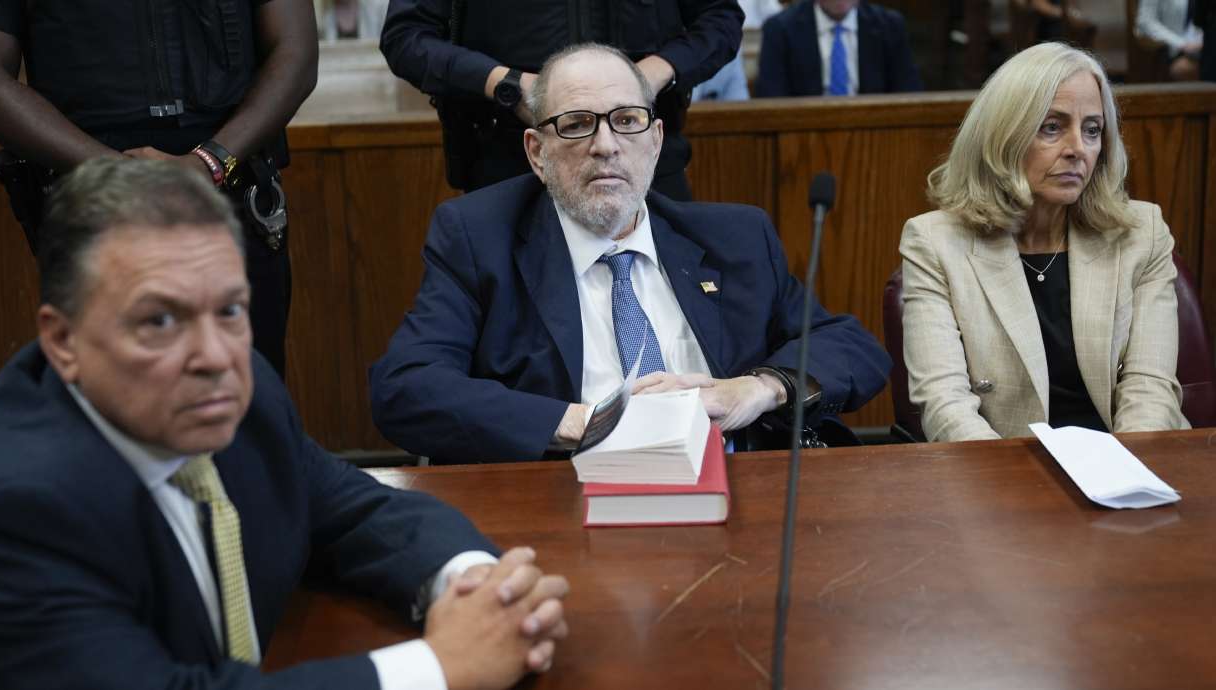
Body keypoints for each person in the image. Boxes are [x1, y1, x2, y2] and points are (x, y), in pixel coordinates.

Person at [0, 158, 570, 690]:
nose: (215, 356)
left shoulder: (245, 394)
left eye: (230, 311)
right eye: (161, 320)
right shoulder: (16, 509)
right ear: (63, 342)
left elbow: (355, 510)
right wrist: (442, 666)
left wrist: (479, 584)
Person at [369, 43, 891, 463]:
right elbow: (406, 388)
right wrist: (585, 423)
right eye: (576, 124)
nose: (606, 145)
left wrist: (754, 390)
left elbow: (851, 347)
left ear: (656, 140)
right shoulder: (479, 238)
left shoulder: (736, 236)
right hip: (565, 504)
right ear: (537, 152)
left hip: (735, 491)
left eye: (626, 120)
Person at [0, 0, 311, 378]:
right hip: (92, 198)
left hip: (231, 186)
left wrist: (210, 163)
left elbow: (297, 52)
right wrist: (113, 172)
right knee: (112, 401)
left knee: (243, 398)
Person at [899, 42, 1190, 443]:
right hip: (999, 474)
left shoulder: (1141, 233)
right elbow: (946, 406)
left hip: (1128, 468)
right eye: (1052, 127)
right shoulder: (934, 243)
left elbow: (1150, 390)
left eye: (1092, 130)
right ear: (1003, 137)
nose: (1077, 150)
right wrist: (1016, 498)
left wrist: (1128, 481)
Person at [378, 0, 744, 201]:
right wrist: (506, 84)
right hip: (510, 165)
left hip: (646, 168)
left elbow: (720, 19)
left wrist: (650, 75)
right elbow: (407, 38)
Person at [754, 0, 922, 98]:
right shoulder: (779, 29)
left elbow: (909, 94)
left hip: (874, 139)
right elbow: (770, 100)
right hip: (803, 140)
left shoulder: (889, 26)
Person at [1136, 0, 1204, 81]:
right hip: (1172, 48)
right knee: (1184, 68)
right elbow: (1145, 22)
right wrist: (1182, 44)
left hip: (1204, 46)